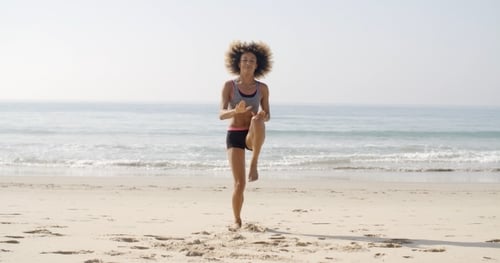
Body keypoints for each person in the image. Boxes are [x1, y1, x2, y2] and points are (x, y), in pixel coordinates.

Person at [219, 41, 273, 230]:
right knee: (239, 184)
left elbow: (268, 115)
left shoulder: (263, 88)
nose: (248, 63)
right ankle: (237, 220)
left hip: (252, 133)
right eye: (245, 60)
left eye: (252, 60)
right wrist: (235, 111)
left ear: (257, 65)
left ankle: (254, 162)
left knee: (257, 121)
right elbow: (221, 114)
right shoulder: (229, 86)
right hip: (234, 135)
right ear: (238, 63)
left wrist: (262, 116)